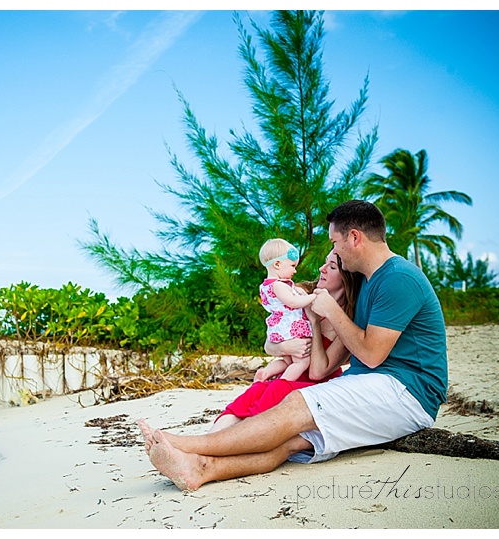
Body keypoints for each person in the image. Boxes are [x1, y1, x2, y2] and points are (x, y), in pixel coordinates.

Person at [138, 200, 448, 491]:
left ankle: (184, 444)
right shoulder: (367, 281)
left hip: (407, 391)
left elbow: (371, 353)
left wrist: (331, 311)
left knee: (298, 404)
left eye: (335, 242)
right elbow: (327, 351)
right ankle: (201, 468)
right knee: (291, 441)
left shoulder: (398, 278)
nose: (334, 250)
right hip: (376, 386)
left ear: (354, 237)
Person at [210, 251, 362, 433]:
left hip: (313, 386)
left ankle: (231, 443)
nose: (322, 269)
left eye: (331, 267)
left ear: (347, 277)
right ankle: (207, 442)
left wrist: (314, 322)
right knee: (251, 395)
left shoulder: (347, 320)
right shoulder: (298, 293)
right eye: (324, 263)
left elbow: (317, 373)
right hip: (287, 373)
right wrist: (283, 347)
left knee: (273, 393)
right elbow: (270, 344)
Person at [255, 238, 317, 382]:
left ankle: (265, 373)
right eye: (292, 266)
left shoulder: (266, 286)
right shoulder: (279, 285)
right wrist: (313, 297)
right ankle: (283, 383)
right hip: (291, 328)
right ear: (277, 264)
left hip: (280, 328)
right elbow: (293, 302)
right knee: (301, 362)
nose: (295, 270)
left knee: (288, 362)